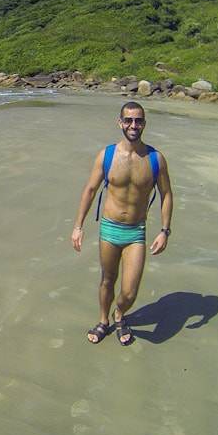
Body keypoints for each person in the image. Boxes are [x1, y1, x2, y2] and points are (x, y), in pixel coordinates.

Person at [71, 102, 173, 345]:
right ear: (120, 123)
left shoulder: (155, 159)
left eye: (138, 120)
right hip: (109, 228)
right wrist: (78, 226)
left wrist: (165, 231)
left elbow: (167, 194)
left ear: (144, 123)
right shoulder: (106, 155)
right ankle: (104, 320)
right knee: (108, 279)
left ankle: (120, 313)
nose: (133, 125)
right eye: (128, 120)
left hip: (136, 231)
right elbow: (90, 190)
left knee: (129, 291)